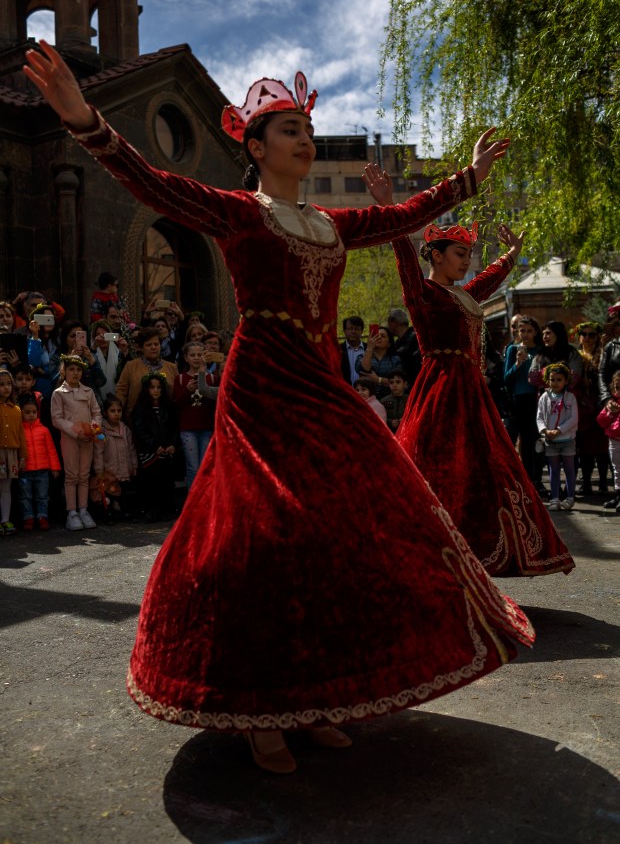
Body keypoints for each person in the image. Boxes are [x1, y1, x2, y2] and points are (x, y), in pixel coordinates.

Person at [24, 42, 534, 776]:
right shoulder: (237, 214)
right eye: (288, 128)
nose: (304, 138)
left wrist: (469, 179)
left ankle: (319, 694)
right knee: (261, 537)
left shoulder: (331, 223)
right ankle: (259, 708)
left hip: (324, 391)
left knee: (358, 521)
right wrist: (83, 120)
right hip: (263, 389)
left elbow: (407, 217)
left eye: (306, 127)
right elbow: (154, 183)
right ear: (255, 146)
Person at [370, 173, 574, 575]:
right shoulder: (424, 293)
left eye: (467, 253)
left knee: (486, 469)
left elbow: (487, 280)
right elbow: (405, 261)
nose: (466, 260)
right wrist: (390, 209)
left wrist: (512, 256)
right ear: (436, 256)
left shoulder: (463, 293)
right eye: (460, 253)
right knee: (443, 468)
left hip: (470, 390)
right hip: (442, 390)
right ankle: (436, 556)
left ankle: (476, 556)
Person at [51, 354, 102, 531]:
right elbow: (56, 419)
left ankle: (83, 509)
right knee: (72, 475)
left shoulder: (88, 392)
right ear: (63, 371)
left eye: (78, 369)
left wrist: (94, 427)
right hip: (70, 438)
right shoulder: (59, 393)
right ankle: (71, 512)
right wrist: (75, 431)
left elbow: (96, 412)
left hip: (88, 438)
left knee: (84, 474)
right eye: (71, 369)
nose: (75, 373)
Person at [503, 316, 545, 488]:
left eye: (529, 331)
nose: (526, 335)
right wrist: (517, 364)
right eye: (522, 331)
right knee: (518, 441)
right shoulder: (513, 350)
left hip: (537, 399)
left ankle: (537, 478)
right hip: (519, 400)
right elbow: (506, 378)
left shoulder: (541, 350)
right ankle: (523, 479)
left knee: (535, 440)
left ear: (535, 332)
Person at [132, 374, 179, 522]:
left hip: (166, 451)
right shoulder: (141, 408)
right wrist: (154, 446)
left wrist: (173, 444)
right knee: (151, 483)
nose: (156, 390)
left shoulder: (168, 407)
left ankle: (166, 510)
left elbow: (174, 427)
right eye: (152, 387)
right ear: (146, 389)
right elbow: (139, 430)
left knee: (166, 481)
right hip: (150, 453)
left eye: (159, 387)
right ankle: (151, 510)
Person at [571, 321, 610, 496]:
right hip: (582, 407)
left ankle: (603, 483)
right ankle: (586, 482)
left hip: (600, 404)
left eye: (591, 334)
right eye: (584, 334)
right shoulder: (576, 356)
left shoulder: (603, 354)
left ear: (597, 337)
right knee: (584, 448)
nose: (587, 338)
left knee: (602, 447)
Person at [173, 342, 216, 490]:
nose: (196, 358)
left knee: (205, 467)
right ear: (186, 358)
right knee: (192, 468)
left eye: (200, 355)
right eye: (192, 355)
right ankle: (192, 502)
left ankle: (205, 499)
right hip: (188, 429)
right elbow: (176, 405)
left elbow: (214, 403)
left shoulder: (211, 378)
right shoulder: (179, 379)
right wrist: (187, 391)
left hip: (206, 427)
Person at [536, 364, 579, 511]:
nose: (555, 383)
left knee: (569, 469)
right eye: (552, 379)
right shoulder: (544, 397)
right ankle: (554, 498)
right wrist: (544, 430)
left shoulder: (570, 397)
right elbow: (539, 416)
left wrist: (560, 430)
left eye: (559, 379)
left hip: (567, 440)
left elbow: (574, 419)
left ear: (566, 381)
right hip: (550, 440)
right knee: (553, 470)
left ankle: (570, 497)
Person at [18, 393, 61, 530]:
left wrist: (55, 467)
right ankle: (28, 518)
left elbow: (51, 450)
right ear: (21, 413)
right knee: (25, 496)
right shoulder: (19, 431)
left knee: (42, 496)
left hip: (42, 470)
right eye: (27, 412)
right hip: (25, 471)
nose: (31, 415)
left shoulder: (44, 430)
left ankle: (42, 516)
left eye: (34, 412)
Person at [115, 327, 178, 421]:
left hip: (165, 422)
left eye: (156, 344)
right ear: (141, 347)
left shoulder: (172, 368)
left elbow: (176, 395)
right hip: (136, 421)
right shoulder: (130, 366)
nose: (153, 347)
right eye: (149, 345)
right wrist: (117, 413)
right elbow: (121, 392)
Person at [93, 394, 138, 521]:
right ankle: (110, 513)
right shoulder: (102, 432)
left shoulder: (125, 430)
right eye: (112, 411)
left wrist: (134, 465)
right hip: (110, 472)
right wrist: (99, 470)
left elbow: (131, 449)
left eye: (119, 411)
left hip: (124, 469)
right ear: (105, 413)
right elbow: (98, 452)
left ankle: (124, 512)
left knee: (123, 493)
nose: (116, 414)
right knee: (111, 493)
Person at [0, 368, 27, 534]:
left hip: (10, 454)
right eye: (1, 384)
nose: (6, 388)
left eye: (9, 384)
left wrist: (22, 456)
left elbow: (21, 435)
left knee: (6, 488)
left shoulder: (16, 409)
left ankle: (5, 520)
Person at [528, 321, 582, 391]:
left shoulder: (571, 354)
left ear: (558, 334)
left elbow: (574, 378)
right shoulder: (540, 355)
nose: (544, 337)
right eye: (543, 334)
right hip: (545, 396)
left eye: (548, 333)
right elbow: (531, 378)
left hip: (567, 397)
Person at [355, 326, 402, 400]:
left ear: (389, 343)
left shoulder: (395, 359)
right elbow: (364, 369)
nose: (379, 338)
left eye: (382, 336)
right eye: (376, 335)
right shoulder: (361, 357)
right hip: (367, 401)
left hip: (391, 400)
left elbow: (400, 382)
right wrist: (370, 347)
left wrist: (378, 379)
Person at [597, 371, 620, 512]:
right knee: (616, 469)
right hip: (614, 440)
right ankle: (618, 495)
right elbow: (601, 421)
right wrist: (610, 412)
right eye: (617, 388)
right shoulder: (612, 403)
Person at [386, 308, 421, 389]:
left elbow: (402, 354)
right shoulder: (397, 342)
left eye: (388, 323)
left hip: (414, 383)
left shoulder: (415, 336)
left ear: (395, 323)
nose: (387, 327)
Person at [381, 368, 410, 432]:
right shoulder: (383, 401)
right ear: (388, 385)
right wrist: (390, 422)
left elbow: (415, 415)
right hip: (389, 433)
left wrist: (405, 419)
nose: (394, 385)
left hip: (406, 431)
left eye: (398, 382)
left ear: (405, 384)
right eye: (391, 382)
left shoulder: (410, 400)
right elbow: (380, 417)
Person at [340, 316, 365, 385]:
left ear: (362, 331)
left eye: (357, 329)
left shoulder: (369, 349)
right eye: (350, 328)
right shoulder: (337, 350)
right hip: (344, 391)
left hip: (365, 393)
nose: (353, 332)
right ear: (345, 331)